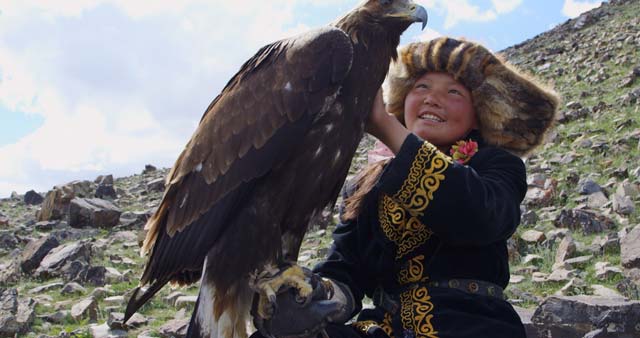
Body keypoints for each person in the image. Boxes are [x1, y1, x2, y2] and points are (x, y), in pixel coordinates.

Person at [255, 37, 559, 338]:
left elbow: (479, 216)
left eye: (453, 92)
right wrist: (313, 298)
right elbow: (346, 269)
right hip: (386, 327)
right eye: (421, 87)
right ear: (404, 100)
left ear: (479, 116)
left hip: (472, 322)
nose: (431, 99)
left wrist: (387, 127)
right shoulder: (366, 184)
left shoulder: (497, 165)